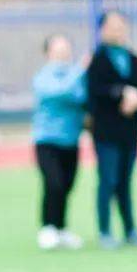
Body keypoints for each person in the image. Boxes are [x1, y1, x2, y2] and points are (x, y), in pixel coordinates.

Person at [86, 10, 137, 249]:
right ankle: (104, 231)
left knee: (125, 180)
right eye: (112, 26)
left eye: (121, 25)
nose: (118, 30)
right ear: (102, 30)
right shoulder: (97, 59)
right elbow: (95, 92)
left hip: (129, 131)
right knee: (108, 180)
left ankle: (130, 229)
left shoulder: (133, 58)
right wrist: (120, 93)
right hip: (106, 132)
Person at [32, 34, 87, 250]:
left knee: (67, 184)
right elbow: (59, 92)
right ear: (48, 53)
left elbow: (82, 99)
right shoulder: (43, 77)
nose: (63, 53)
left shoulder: (76, 76)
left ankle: (61, 228)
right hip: (47, 140)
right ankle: (48, 227)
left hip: (71, 139)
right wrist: (80, 70)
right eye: (58, 49)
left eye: (66, 48)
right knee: (53, 182)